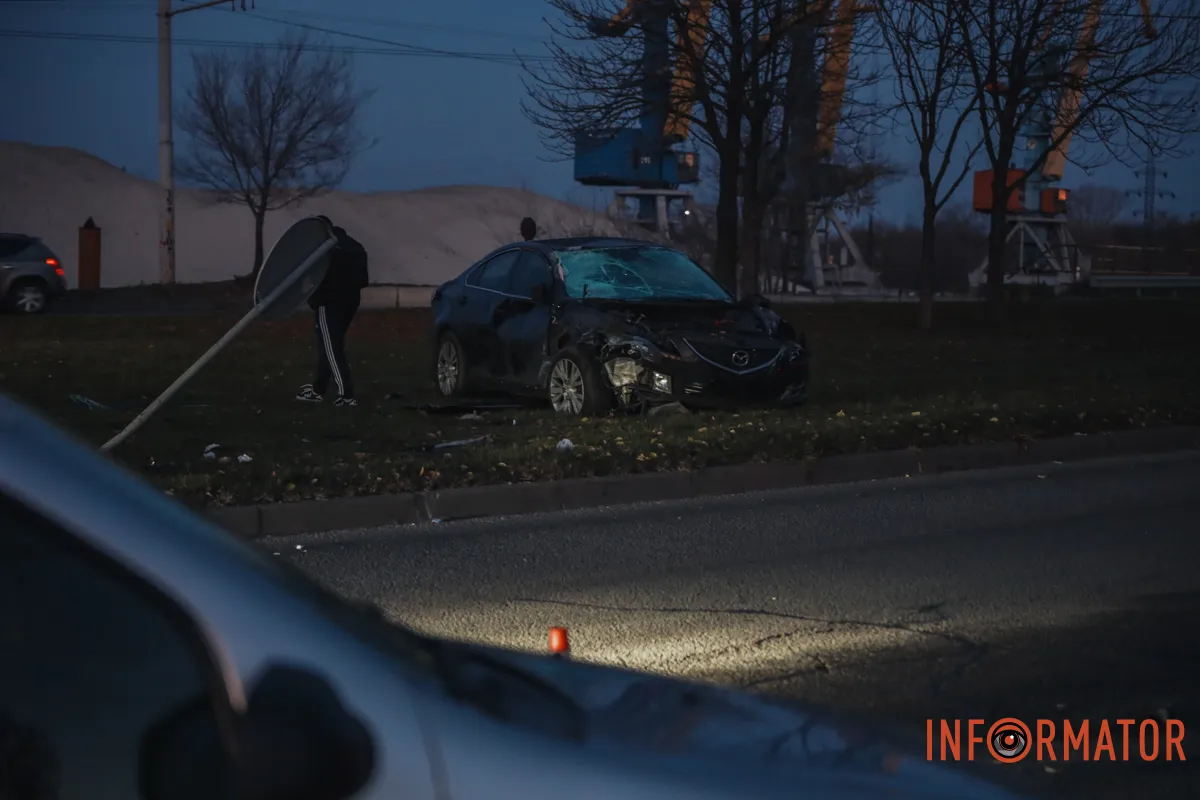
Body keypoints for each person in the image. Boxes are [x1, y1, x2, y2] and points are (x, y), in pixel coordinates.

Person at [296, 216, 369, 407]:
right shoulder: (353, 245)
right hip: (351, 301)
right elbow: (363, 279)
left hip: (328, 302)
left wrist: (316, 299)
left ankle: (346, 395)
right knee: (329, 344)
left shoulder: (324, 250)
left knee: (331, 347)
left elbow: (315, 279)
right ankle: (319, 388)